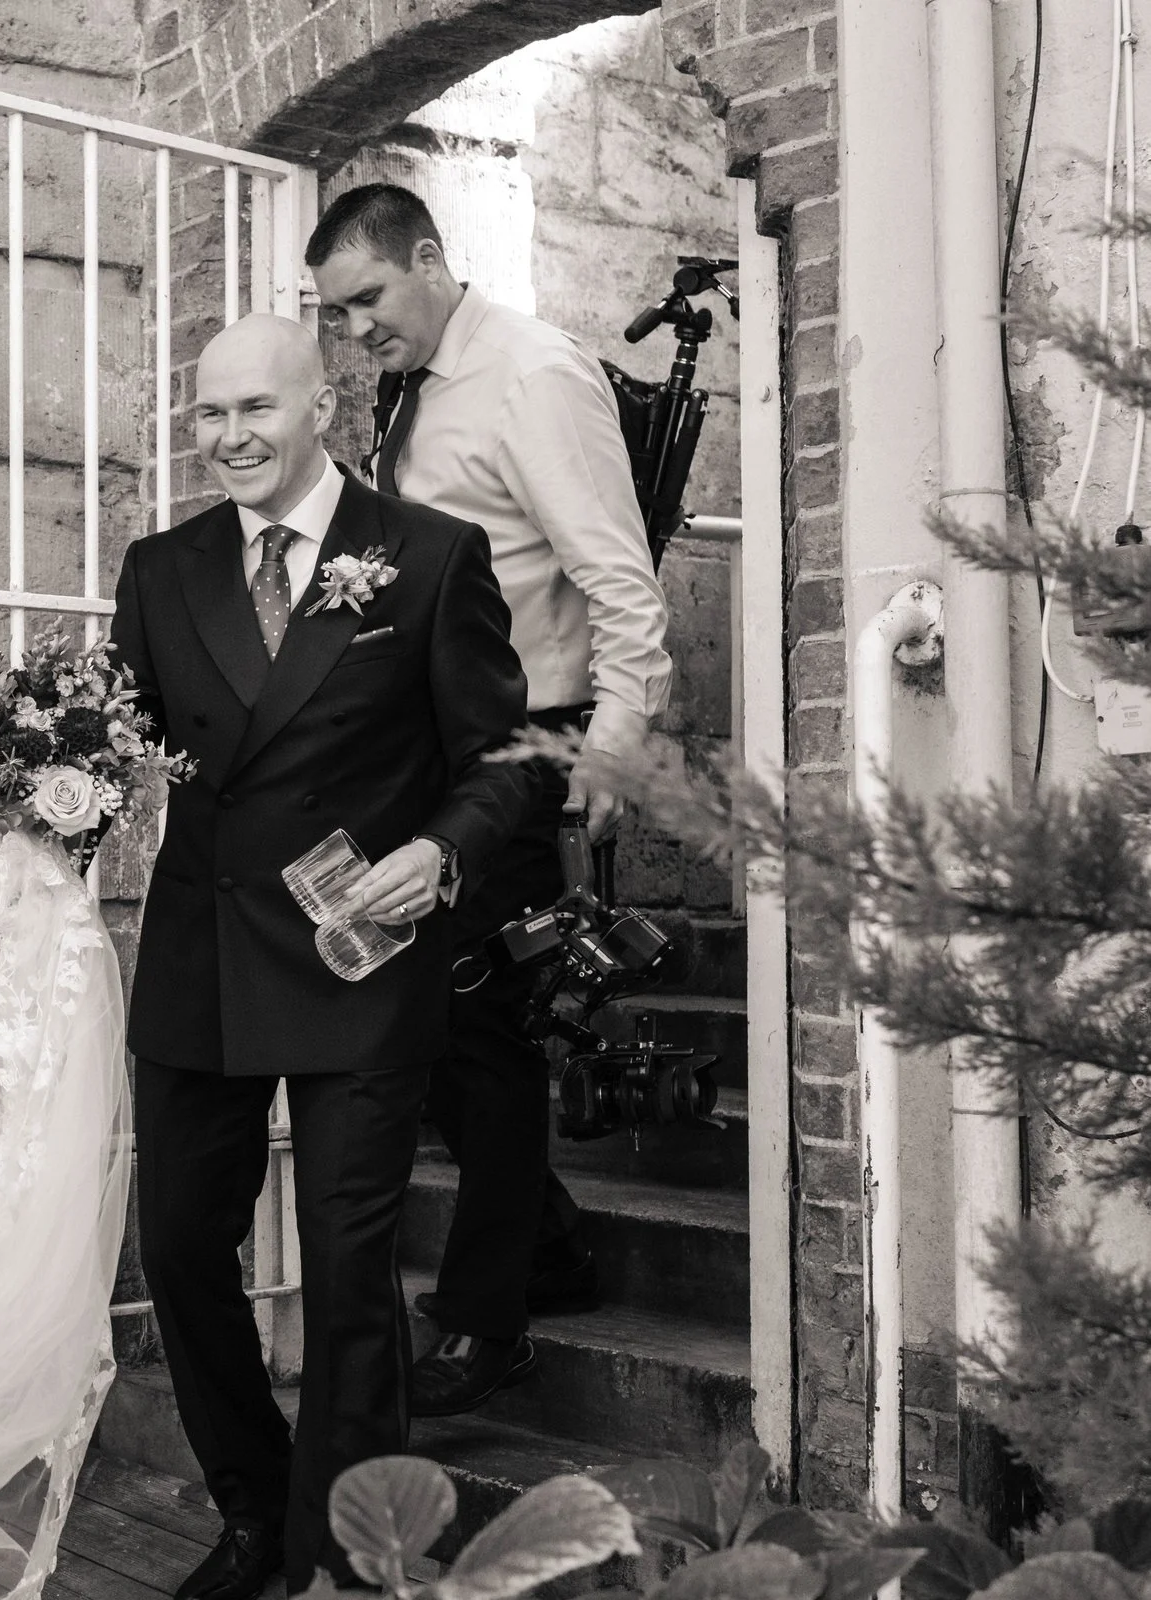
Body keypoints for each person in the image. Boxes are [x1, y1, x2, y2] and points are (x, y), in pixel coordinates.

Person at [108, 312, 531, 1600]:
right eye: (209, 411)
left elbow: (506, 761)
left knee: (350, 1272)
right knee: (181, 1244)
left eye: (255, 408)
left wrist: (441, 850)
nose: (229, 434)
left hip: (360, 959)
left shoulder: (430, 555)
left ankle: (338, 1566)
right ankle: (251, 1499)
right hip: (202, 957)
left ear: (323, 410)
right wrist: (45, 782)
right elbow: (122, 739)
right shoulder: (161, 567)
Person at [303, 184, 676, 1419]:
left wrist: (611, 746)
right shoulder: (412, 383)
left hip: (527, 735)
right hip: (438, 737)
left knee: (479, 1029)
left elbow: (617, 577)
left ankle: (487, 1317)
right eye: (334, 312)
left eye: (367, 298)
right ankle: (548, 1246)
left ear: (428, 257)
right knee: (430, 1018)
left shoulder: (532, 376)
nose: (354, 328)